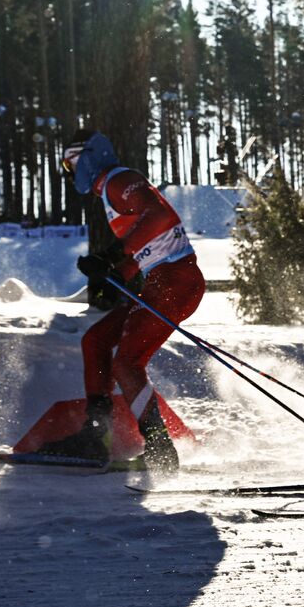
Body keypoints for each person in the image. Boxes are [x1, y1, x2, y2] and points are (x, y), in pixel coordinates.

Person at [38, 130, 203, 470]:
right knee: (96, 340)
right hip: (161, 279)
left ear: (84, 157)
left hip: (175, 279)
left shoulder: (119, 180)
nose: (69, 174)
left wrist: (112, 255)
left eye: (69, 166)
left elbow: (158, 216)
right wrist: (117, 276)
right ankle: (96, 435)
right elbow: (146, 245)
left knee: (127, 363)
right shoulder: (110, 191)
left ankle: (159, 449)